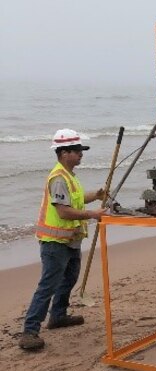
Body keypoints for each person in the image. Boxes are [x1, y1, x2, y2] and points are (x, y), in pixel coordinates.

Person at [18, 129, 107, 352]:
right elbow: (64, 212)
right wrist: (93, 214)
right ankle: (30, 331)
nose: (81, 155)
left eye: (81, 150)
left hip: (70, 240)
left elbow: (75, 199)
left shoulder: (70, 176)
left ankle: (58, 315)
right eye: (77, 151)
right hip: (54, 243)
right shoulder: (58, 178)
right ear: (64, 152)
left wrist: (95, 195)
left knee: (69, 279)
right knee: (47, 286)